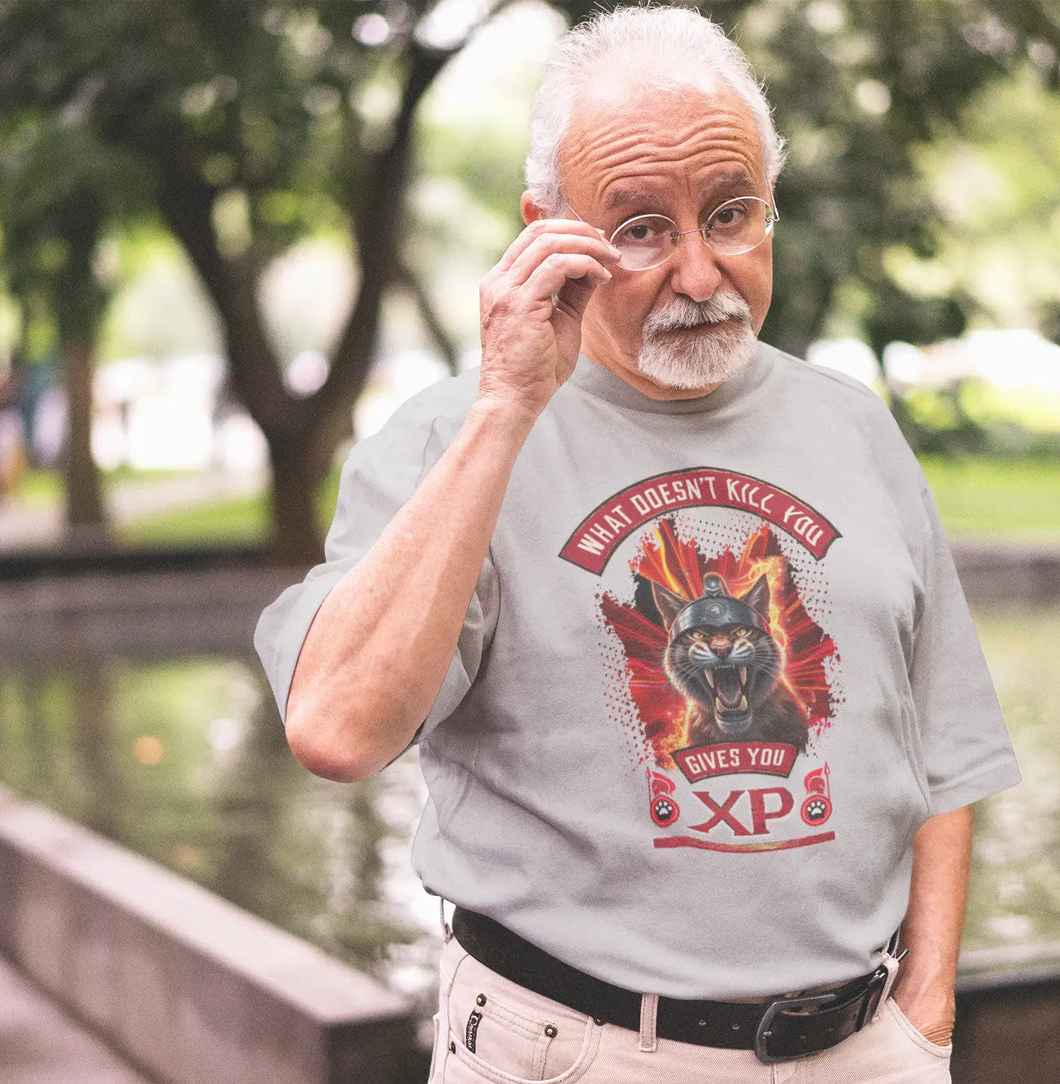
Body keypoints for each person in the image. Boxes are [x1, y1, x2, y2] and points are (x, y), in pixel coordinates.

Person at [255, 7, 1020, 1080]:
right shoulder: (447, 438)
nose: (701, 273)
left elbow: (939, 746)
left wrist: (924, 1009)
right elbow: (335, 727)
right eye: (640, 228)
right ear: (544, 229)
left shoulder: (852, 427)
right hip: (575, 1052)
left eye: (729, 213)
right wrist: (506, 406)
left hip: (864, 1052)